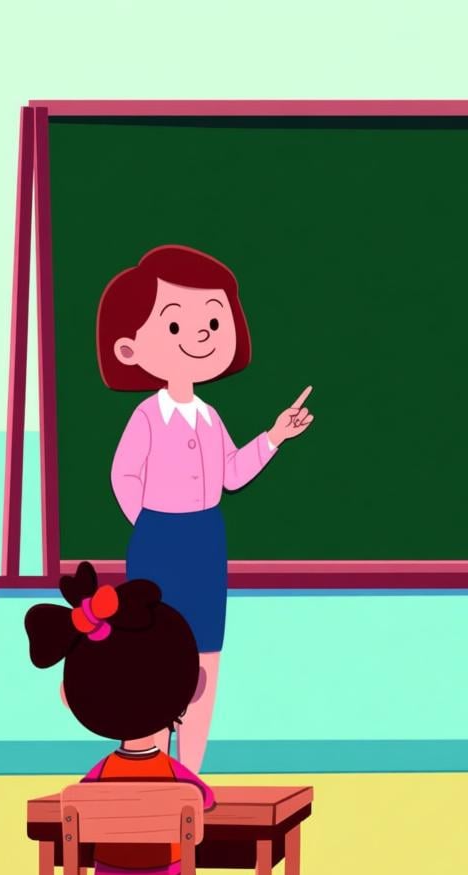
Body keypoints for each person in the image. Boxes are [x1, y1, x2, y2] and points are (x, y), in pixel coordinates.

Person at [98, 244, 315, 772]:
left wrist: (274, 437)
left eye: (213, 321)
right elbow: (122, 476)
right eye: (175, 326)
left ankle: (190, 775)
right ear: (131, 349)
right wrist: (150, 528)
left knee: (204, 659)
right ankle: (147, 766)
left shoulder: (209, 416)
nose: (199, 335)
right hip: (159, 541)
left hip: (204, 541)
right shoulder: (148, 416)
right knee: (152, 658)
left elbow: (232, 474)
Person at [24, 561, 214, 875]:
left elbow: (77, 806)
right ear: (193, 686)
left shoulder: (96, 777)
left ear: (70, 698)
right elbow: (204, 801)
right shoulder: (176, 775)